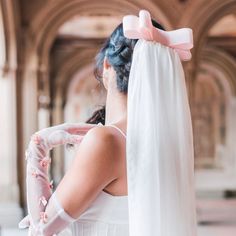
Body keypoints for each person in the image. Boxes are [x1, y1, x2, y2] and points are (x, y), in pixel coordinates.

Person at [19, 10, 197, 236]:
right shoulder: (169, 143)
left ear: (106, 66)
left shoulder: (106, 141)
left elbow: (41, 229)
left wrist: (39, 143)